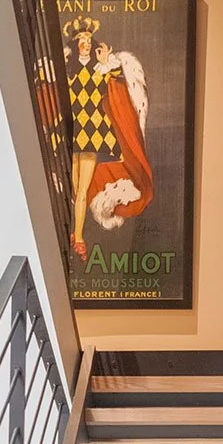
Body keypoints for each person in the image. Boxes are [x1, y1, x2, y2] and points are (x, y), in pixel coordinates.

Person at [63, 16, 153, 261]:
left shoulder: (101, 69)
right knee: (74, 188)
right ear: (75, 43)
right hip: (73, 133)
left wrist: (108, 65)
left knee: (82, 190)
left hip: (91, 133)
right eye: (81, 39)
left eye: (88, 39)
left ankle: (78, 236)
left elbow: (117, 87)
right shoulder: (68, 71)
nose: (85, 43)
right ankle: (73, 232)